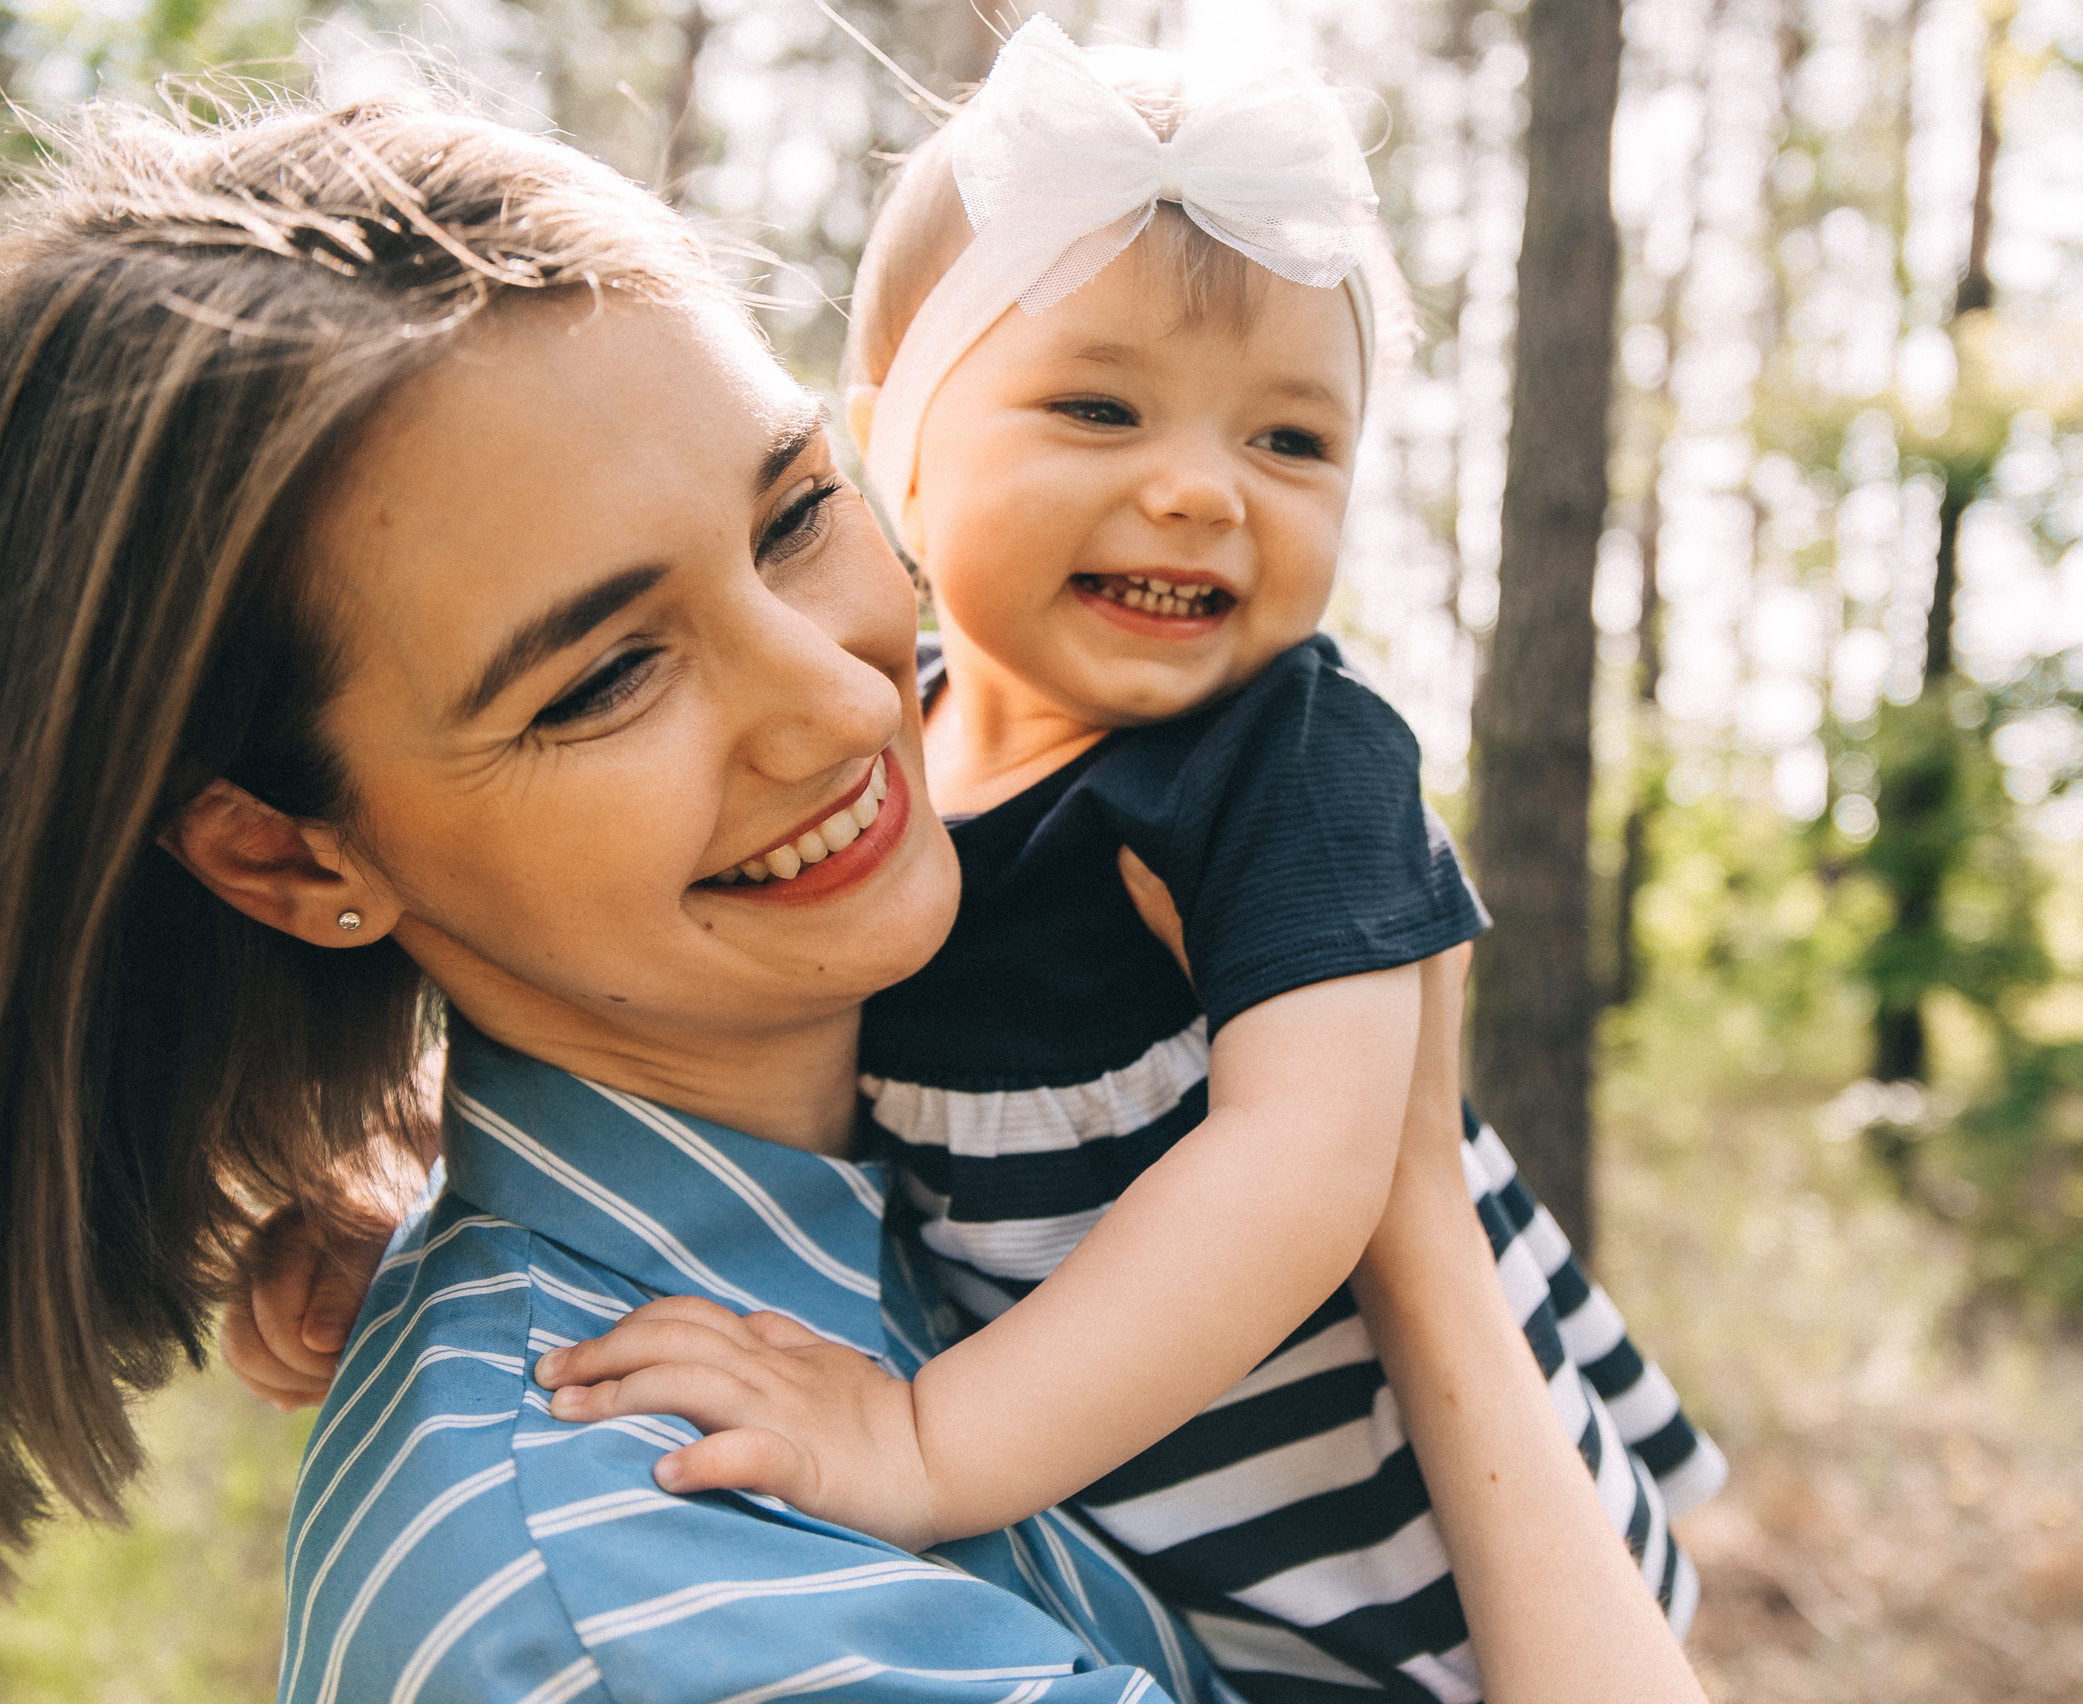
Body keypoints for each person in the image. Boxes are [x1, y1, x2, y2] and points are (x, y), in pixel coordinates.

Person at [0, 97, 1705, 1704]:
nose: (846, 702)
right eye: (605, 677)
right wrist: (1408, 1211)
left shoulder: (834, 1133)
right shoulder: (636, 1590)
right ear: (295, 859)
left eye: (799, 512)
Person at [517, 19, 1723, 1702]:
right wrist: (388, 1195)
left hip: (1415, 1568)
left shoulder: (1289, 759)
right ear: (899, 447)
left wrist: (925, 1446)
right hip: (1171, 1568)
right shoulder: (875, 759)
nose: (1199, 493)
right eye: (1100, 407)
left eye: (1290, 442)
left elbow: (1307, 1176)